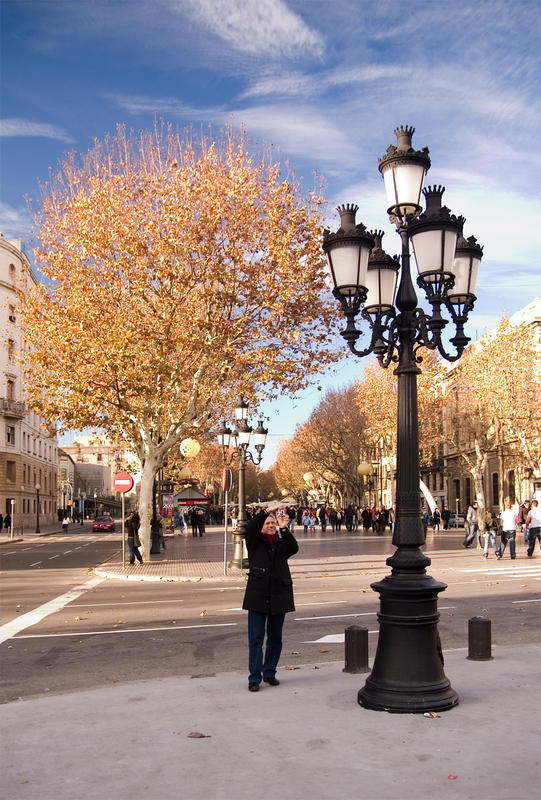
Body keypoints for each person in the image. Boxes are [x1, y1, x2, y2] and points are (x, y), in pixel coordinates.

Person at [242, 506, 298, 692]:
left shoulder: (281, 544)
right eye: (268, 523)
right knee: (256, 639)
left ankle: (270, 673)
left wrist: (284, 528)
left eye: (273, 523)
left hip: (279, 596)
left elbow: (293, 548)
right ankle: (254, 678)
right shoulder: (254, 542)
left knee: (275, 639)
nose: (271, 525)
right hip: (258, 596)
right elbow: (250, 527)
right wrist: (267, 512)